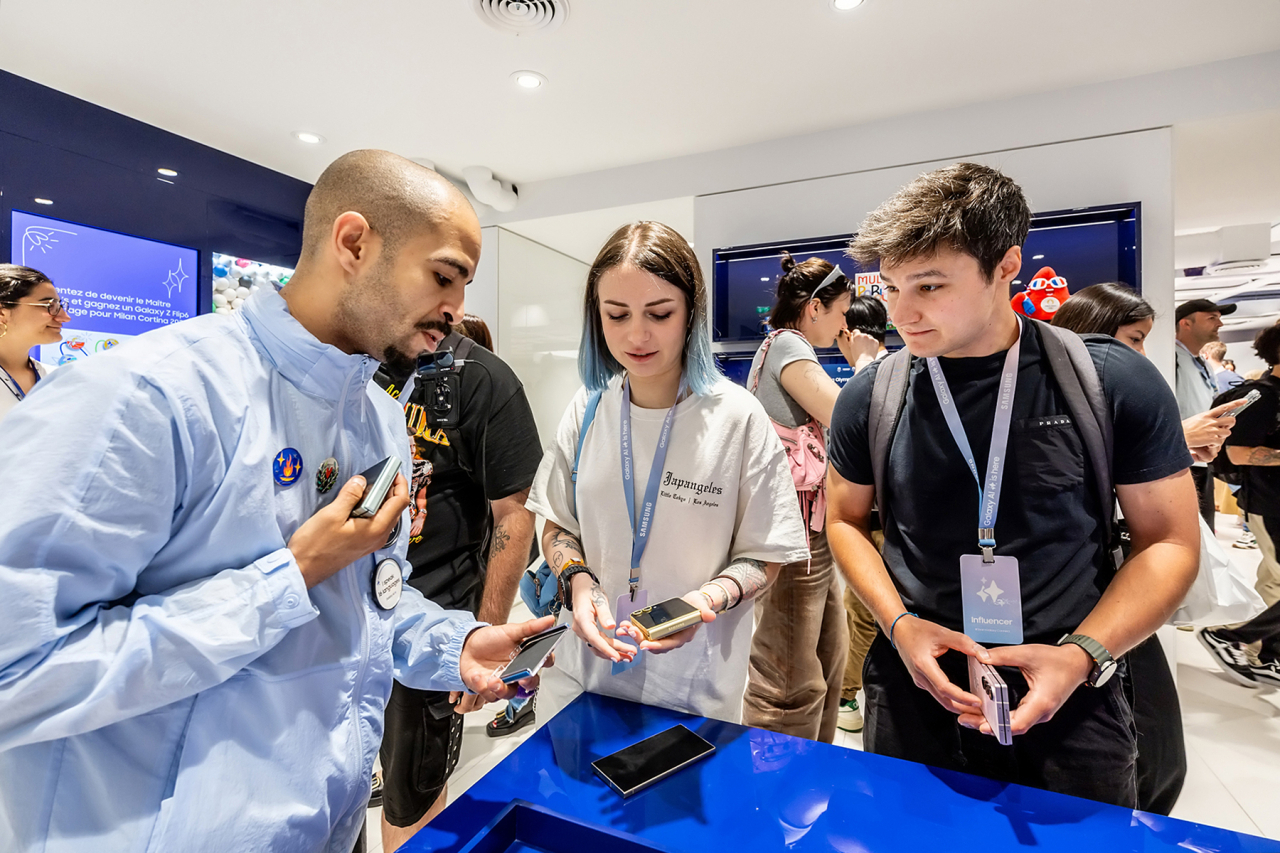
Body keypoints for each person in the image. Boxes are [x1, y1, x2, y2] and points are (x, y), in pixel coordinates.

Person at [0, 150, 554, 852]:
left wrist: (456, 643)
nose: (456, 310)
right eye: (444, 276)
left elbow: (371, 600)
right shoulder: (146, 396)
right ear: (353, 243)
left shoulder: (378, 414)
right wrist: (286, 577)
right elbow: (16, 669)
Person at [825, 162, 1199, 807]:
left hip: (1071, 687)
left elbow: (1168, 541)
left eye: (930, 285)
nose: (902, 311)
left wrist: (1083, 654)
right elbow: (844, 520)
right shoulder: (872, 393)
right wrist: (900, 624)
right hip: (917, 682)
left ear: (1006, 265)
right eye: (889, 287)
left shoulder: (1106, 379)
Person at [526, 221, 809, 725]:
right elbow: (557, 523)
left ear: (691, 315)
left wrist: (707, 600)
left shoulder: (737, 418)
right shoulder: (588, 407)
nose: (637, 334)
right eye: (617, 315)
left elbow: (766, 554)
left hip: (693, 695)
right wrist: (579, 578)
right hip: (581, 682)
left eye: (659, 313)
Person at [1049, 282, 1247, 814]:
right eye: (1133, 339)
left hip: (1119, 581)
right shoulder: (1060, 393)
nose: (1137, 355)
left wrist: (1172, 449)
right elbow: (1073, 478)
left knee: (1153, 746)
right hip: (1088, 590)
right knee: (1149, 748)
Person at [373, 311, 541, 852]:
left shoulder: (485, 380)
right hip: (352, 608)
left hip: (434, 615)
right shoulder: (365, 362)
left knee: (412, 793)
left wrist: (478, 633)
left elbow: (514, 518)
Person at [739, 252, 861, 743]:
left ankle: (811, 778)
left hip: (810, 529)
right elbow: (847, 417)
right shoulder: (789, 345)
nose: (843, 323)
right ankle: (773, 798)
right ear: (814, 307)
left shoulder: (782, 348)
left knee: (827, 659)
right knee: (788, 677)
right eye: (840, 311)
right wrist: (866, 365)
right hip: (793, 536)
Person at [1053, 283, 1239, 465]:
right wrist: (1174, 437)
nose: (1141, 353)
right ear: (1095, 328)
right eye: (1134, 339)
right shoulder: (1049, 389)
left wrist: (1171, 448)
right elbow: (1069, 458)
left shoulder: (1109, 391)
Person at [1200, 324, 1280, 689]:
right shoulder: (1260, 396)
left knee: (1274, 581)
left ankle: (1263, 652)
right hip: (1269, 500)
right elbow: (1235, 451)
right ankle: (1230, 635)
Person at [836, 294, 890, 733]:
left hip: (877, 525)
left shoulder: (877, 376)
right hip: (874, 522)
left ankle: (850, 695)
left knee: (864, 614)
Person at [1175, 297, 1238, 530]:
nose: (1219, 324)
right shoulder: (1171, 357)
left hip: (1203, 457)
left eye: (1219, 318)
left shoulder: (1198, 362)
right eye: (1211, 318)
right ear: (1186, 323)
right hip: (1182, 459)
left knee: (1205, 533)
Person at [0, 263, 70, 420]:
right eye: (49, 306)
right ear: (2, 313)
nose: (65, 317)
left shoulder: (57, 377)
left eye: (59, 306)